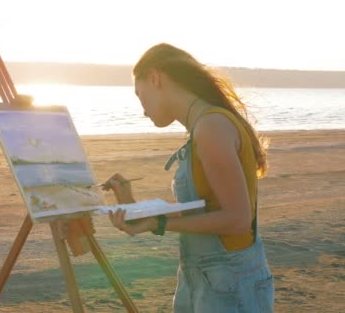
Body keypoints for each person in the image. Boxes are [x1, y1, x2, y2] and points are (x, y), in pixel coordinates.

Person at [103, 43, 274, 312]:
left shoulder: (211, 127)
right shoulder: (203, 127)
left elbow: (238, 219)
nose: (143, 110)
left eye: (140, 95)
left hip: (229, 286)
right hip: (206, 281)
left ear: (155, 78)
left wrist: (157, 222)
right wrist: (137, 209)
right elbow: (205, 211)